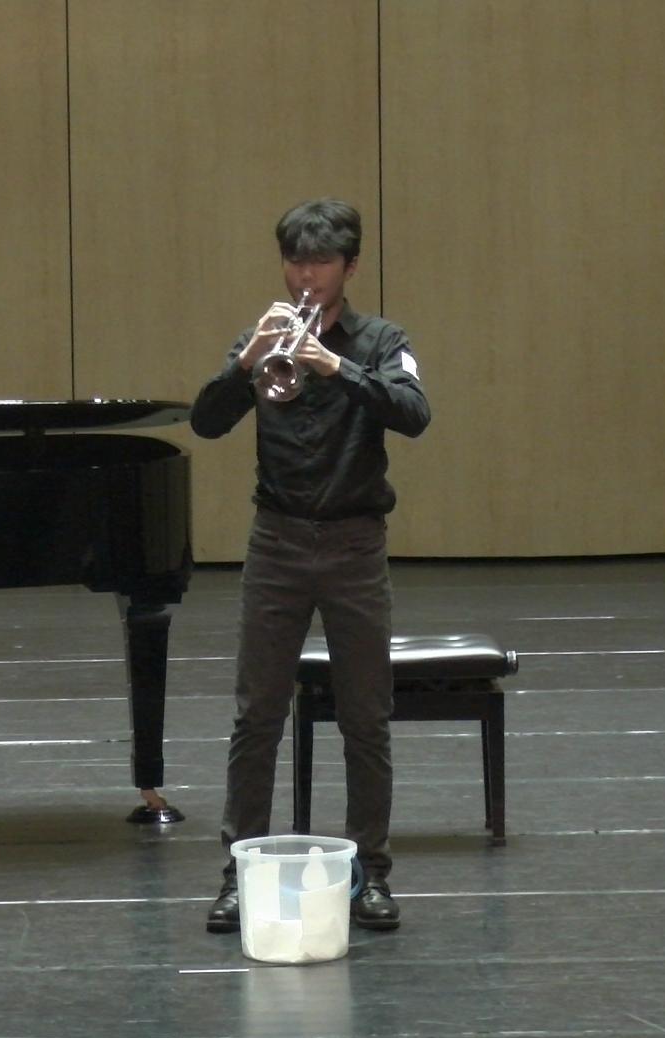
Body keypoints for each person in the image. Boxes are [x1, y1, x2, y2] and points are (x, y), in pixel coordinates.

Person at [191, 199, 430, 933]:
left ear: (349, 267)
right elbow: (206, 421)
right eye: (295, 261)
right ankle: (240, 873)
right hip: (278, 545)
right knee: (256, 716)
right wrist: (246, 365)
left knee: (366, 719)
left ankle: (370, 875)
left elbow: (414, 414)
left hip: (355, 547)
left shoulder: (382, 340)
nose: (306, 276)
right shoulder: (261, 339)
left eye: (321, 262)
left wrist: (337, 366)